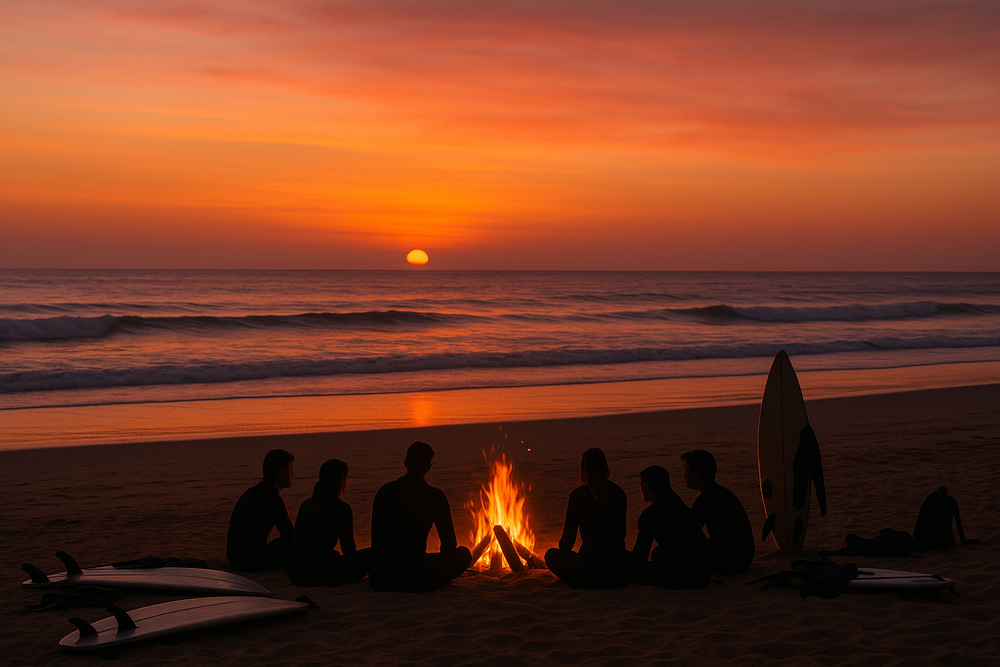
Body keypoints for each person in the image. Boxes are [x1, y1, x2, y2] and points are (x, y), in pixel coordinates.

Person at [368, 441, 472, 592]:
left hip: (380, 579)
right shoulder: (435, 496)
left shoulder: (385, 491)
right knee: (464, 554)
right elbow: (449, 544)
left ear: (406, 463)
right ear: (428, 467)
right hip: (416, 578)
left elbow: (376, 537)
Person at [545, 448, 629, 589]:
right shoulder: (619, 492)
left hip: (589, 570)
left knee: (551, 555)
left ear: (583, 469)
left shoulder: (578, 495)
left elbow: (567, 542)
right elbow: (621, 533)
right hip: (617, 571)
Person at [287, 459, 371, 586]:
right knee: (373, 554)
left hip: (295, 573)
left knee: (334, 554)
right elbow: (349, 551)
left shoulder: (306, 505)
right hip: (319, 574)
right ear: (342, 480)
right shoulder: (342, 508)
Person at [630, 465, 711, 590]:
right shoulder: (679, 504)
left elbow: (640, 556)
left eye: (640, 485)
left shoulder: (650, 515)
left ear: (647, 487)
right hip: (703, 574)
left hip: (681, 577)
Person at [681, 449, 754, 576]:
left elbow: (687, 532)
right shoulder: (722, 493)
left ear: (696, 473)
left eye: (686, 469)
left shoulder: (707, 499)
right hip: (744, 557)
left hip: (730, 561)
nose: (684, 475)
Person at [226, 449, 295, 572]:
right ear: (282, 474)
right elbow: (289, 534)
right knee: (291, 545)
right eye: (291, 469)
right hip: (251, 562)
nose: (293, 474)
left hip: (235, 558)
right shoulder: (272, 498)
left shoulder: (251, 492)